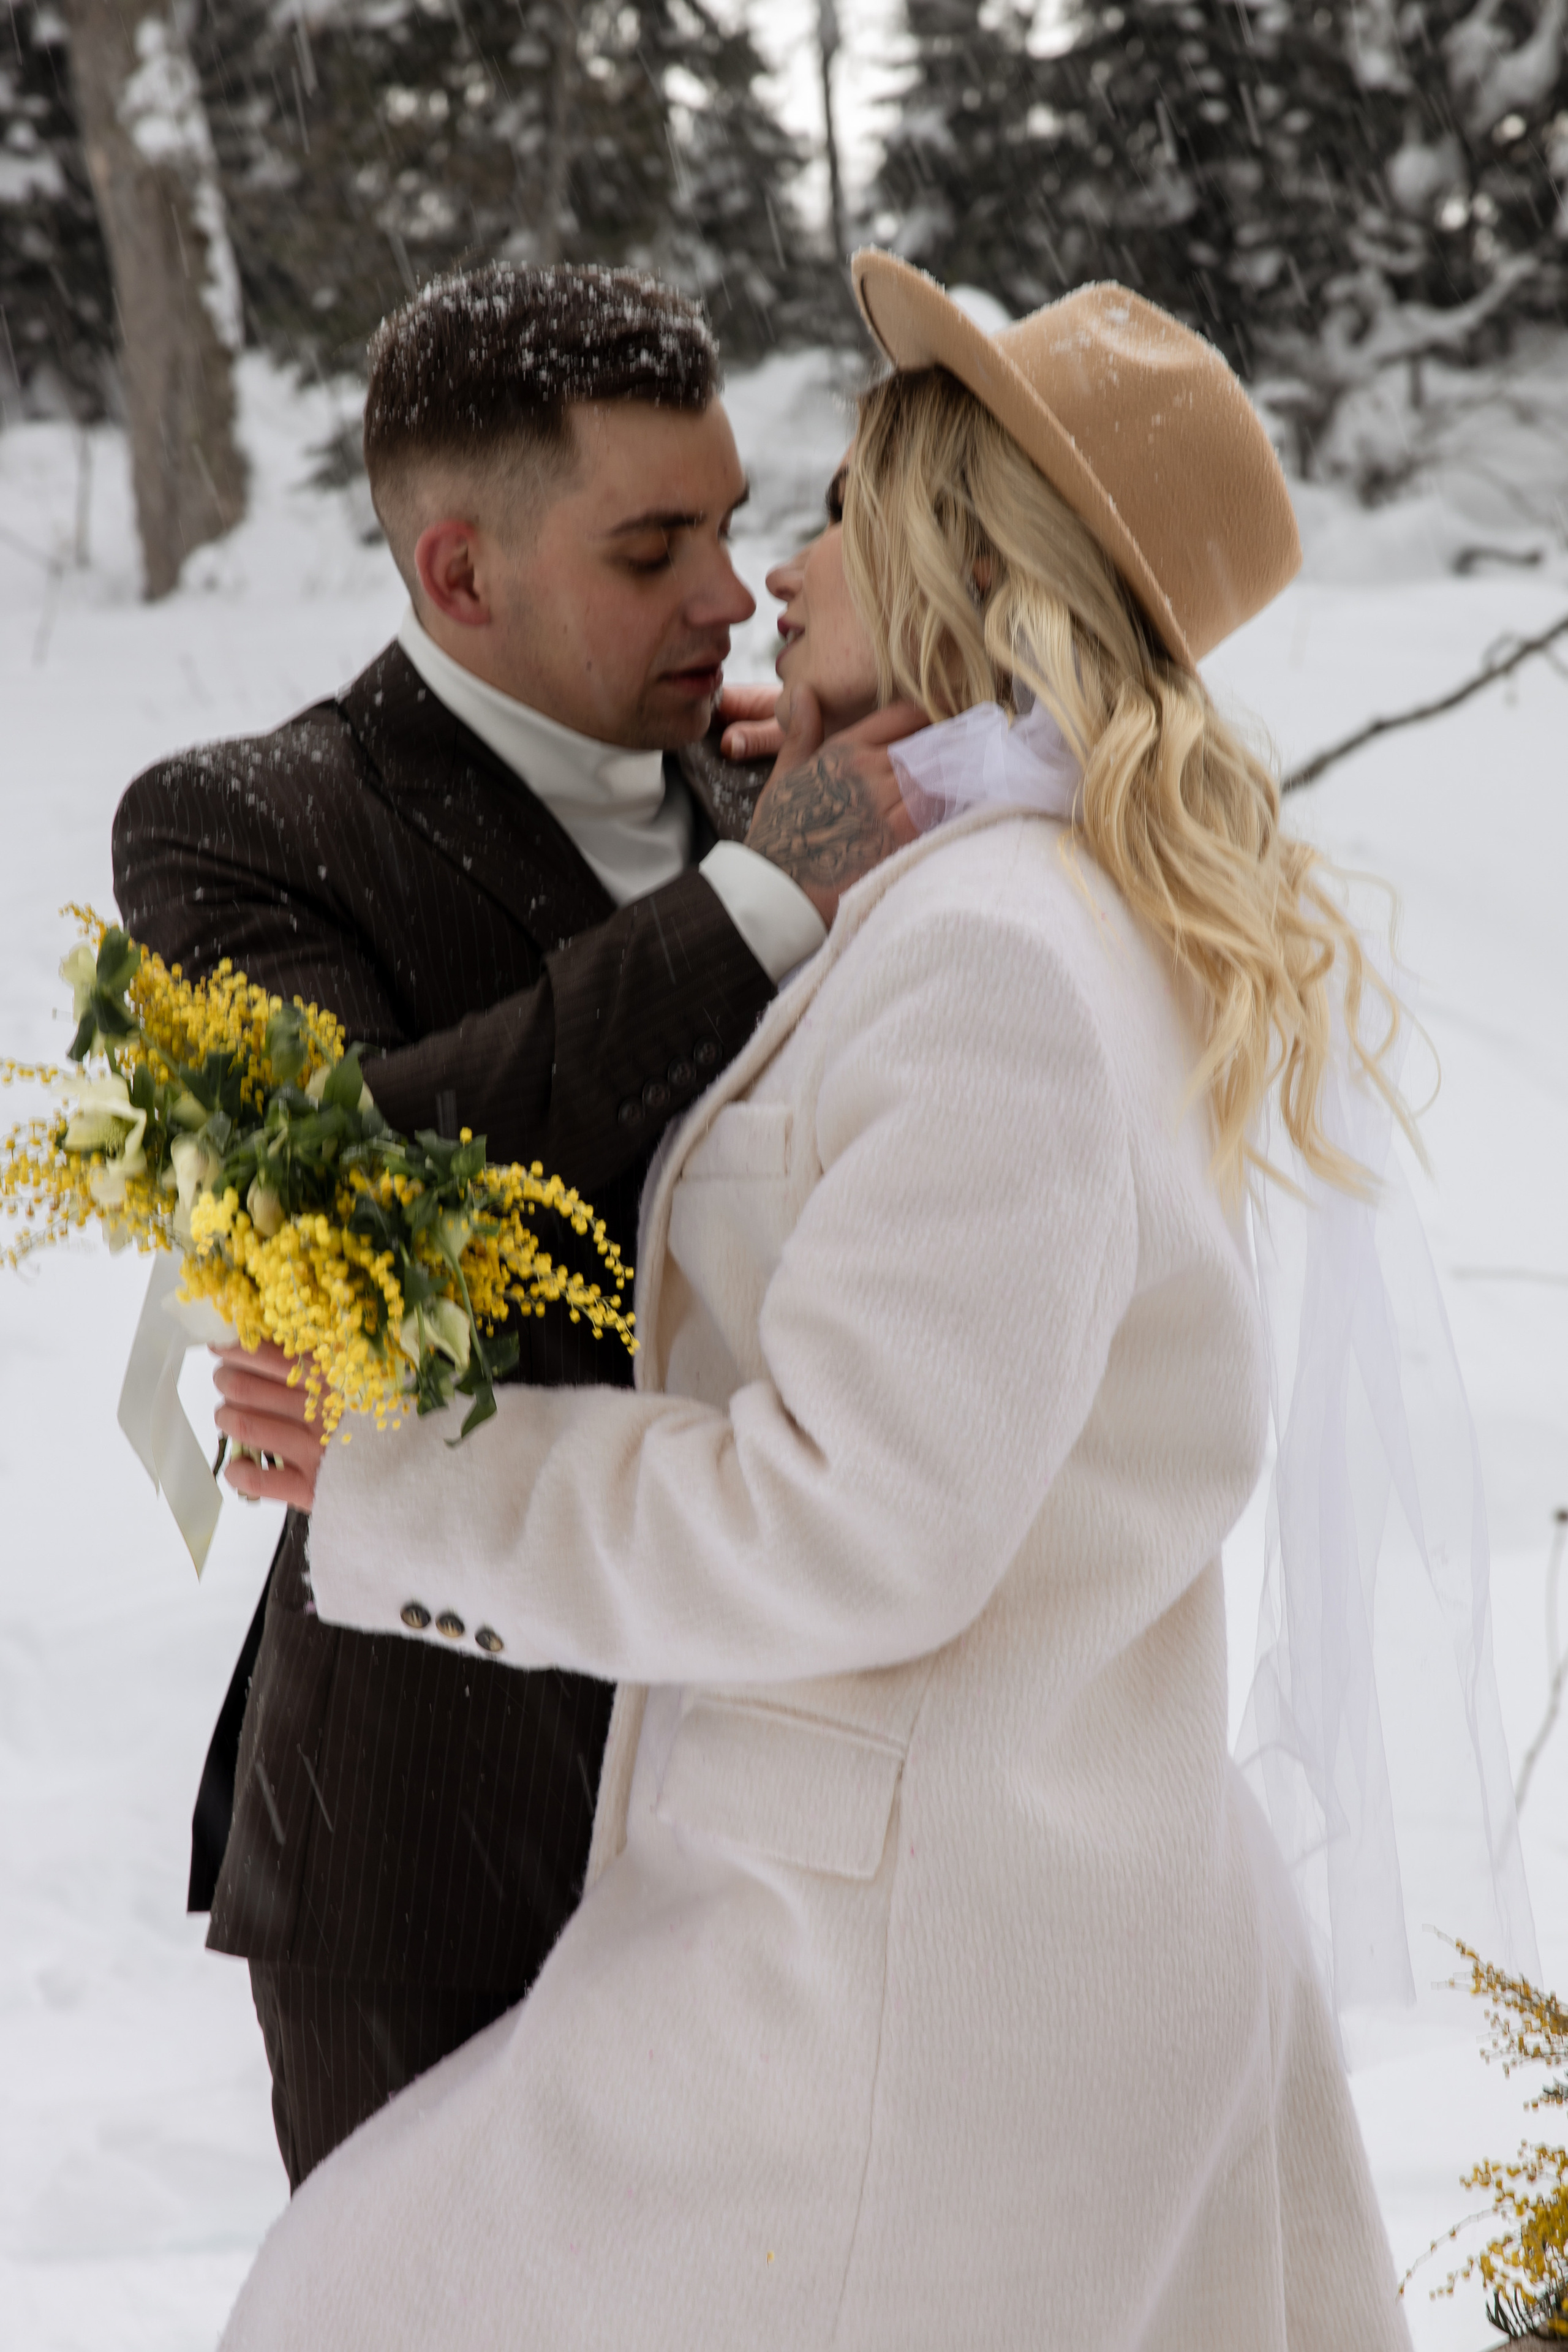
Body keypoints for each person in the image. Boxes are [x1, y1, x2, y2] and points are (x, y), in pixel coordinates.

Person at [213, 254, 1416, 2348]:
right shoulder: (982, 881)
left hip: (872, 1974)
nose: (773, 573)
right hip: (927, 1906)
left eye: (833, 513)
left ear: (960, 547)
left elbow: (859, 1514)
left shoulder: (995, 959)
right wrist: (814, 825)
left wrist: (407, 1489)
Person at [111, 260, 919, 2190]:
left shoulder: (777, 778)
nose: (730, 594)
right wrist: (751, 912)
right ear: (460, 575)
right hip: (441, 1830)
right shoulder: (236, 829)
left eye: (732, 525)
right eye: (656, 548)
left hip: (788, 1820)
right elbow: (351, 1191)